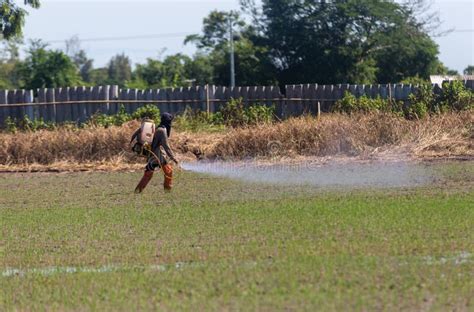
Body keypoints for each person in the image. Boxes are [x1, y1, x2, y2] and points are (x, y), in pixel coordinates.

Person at [134, 113, 178, 193]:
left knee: (149, 173)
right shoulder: (162, 131)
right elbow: (166, 146)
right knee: (168, 172)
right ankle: (168, 191)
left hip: (154, 156)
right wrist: (173, 158)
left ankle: (138, 191)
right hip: (158, 156)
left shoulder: (158, 128)